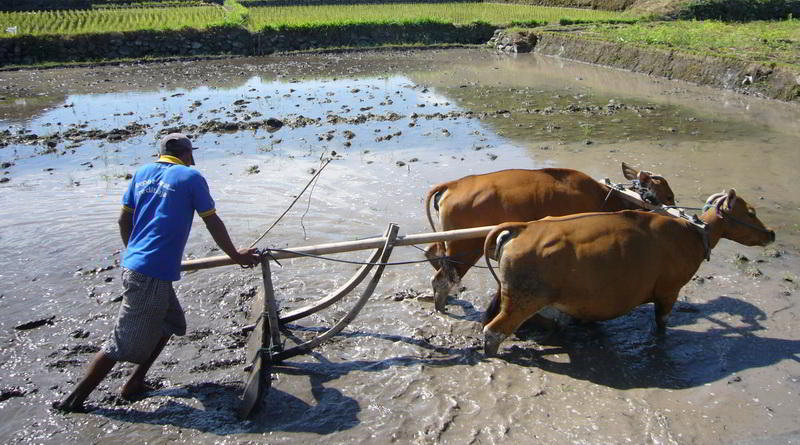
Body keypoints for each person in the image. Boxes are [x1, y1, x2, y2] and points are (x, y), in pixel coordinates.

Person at [53, 133, 260, 413]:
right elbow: (212, 221)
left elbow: (123, 218)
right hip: (150, 274)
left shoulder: (143, 173)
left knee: (171, 324)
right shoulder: (191, 177)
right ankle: (72, 402)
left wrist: (135, 253)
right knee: (120, 343)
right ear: (188, 153)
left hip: (137, 266)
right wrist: (236, 255)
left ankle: (134, 382)